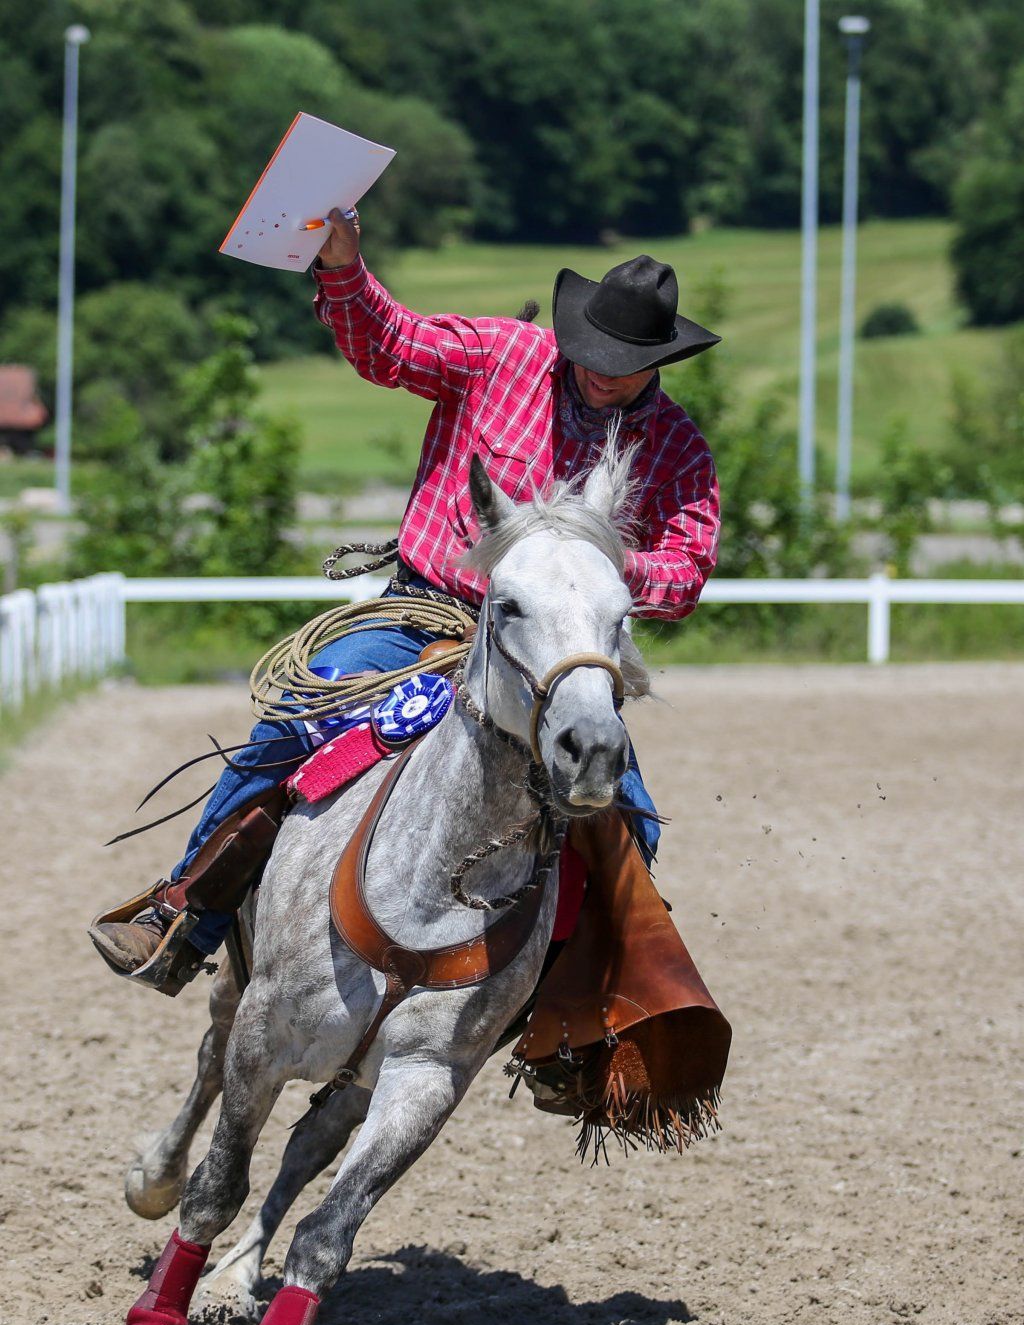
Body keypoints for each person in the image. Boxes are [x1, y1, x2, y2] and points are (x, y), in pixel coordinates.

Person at [89, 207, 722, 994]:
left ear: (662, 360)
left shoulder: (679, 447)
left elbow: (688, 570)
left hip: (556, 653)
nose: (602, 370)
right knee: (293, 719)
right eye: (592, 351)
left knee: (630, 817)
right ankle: (184, 914)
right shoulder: (500, 356)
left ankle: (582, 1021)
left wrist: (597, 572)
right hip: (427, 612)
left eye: (624, 362)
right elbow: (389, 343)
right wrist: (343, 266)